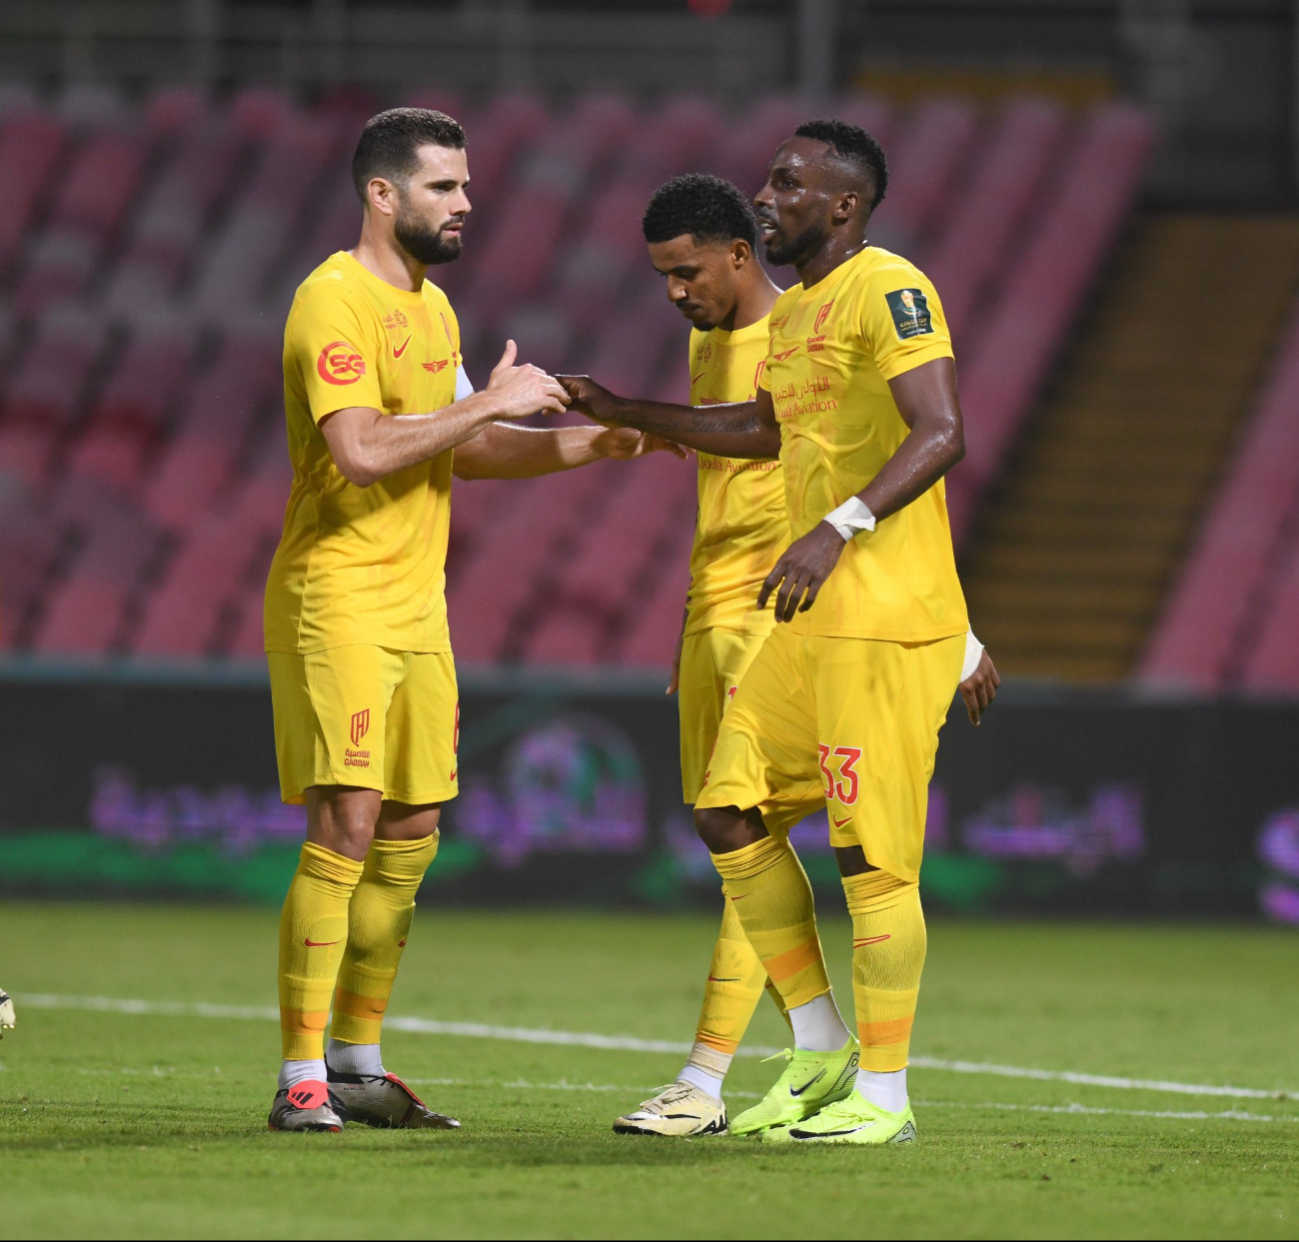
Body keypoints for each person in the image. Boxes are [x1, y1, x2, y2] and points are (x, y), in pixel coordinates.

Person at [563, 119, 999, 1146]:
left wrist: (838, 530)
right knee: (726, 811)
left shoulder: (892, 287)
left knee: (871, 864)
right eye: (770, 178)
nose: (768, 194)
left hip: (880, 623)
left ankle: (883, 1097)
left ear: (843, 205)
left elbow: (943, 431)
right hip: (809, 622)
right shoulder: (799, 316)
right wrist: (627, 407)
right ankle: (816, 1040)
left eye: (790, 182)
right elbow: (763, 432)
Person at [263, 107, 676, 1133]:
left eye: (468, 186)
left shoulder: (436, 311)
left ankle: (358, 1061)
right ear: (382, 194)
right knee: (348, 819)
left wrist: (592, 444)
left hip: (419, 604)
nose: (466, 203)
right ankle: (299, 1075)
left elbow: (460, 450)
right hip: (341, 594)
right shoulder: (334, 302)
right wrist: (490, 404)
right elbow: (360, 450)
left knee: (410, 830)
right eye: (446, 186)